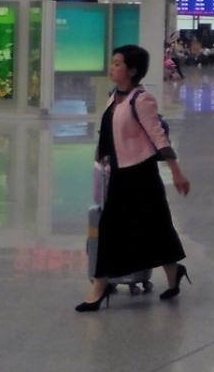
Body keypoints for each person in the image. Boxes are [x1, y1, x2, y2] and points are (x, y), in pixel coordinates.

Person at [77, 45, 191, 312]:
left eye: (118, 63)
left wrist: (176, 171)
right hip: (118, 173)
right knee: (109, 229)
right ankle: (100, 285)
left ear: (132, 70)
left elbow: (158, 137)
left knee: (157, 228)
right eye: (113, 62)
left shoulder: (141, 100)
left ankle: (173, 273)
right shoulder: (113, 98)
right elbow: (106, 135)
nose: (112, 67)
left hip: (142, 174)